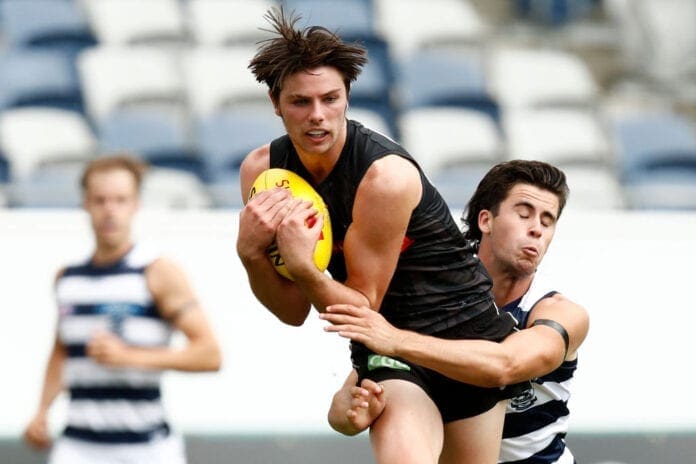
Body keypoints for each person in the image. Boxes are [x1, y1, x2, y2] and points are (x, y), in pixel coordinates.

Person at [237, 7, 524, 464]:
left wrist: (305, 268)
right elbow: (294, 311)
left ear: (348, 95)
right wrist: (250, 254)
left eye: (330, 99)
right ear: (275, 102)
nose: (318, 116)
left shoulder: (385, 178)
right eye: (300, 102)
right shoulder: (263, 173)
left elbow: (358, 302)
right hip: (387, 349)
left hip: (466, 339)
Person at [323, 160, 590, 463]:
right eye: (524, 214)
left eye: (547, 221)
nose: (536, 230)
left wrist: (397, 340)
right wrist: (347, 413)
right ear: (486, 220)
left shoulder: (561, 314)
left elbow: (506, 364)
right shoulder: (431, 295)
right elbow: (370, 378)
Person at [23, 154, 222, 464]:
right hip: (78, 445)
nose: (110, 210)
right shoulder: (67, 279)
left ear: (136, 205)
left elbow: (210, 354)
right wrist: (42, 411)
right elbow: (62, 351)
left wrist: (129, 356)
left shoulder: (156, 272)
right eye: (100, 200)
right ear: (85, 204)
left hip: (146, 447)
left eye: (120, 200)